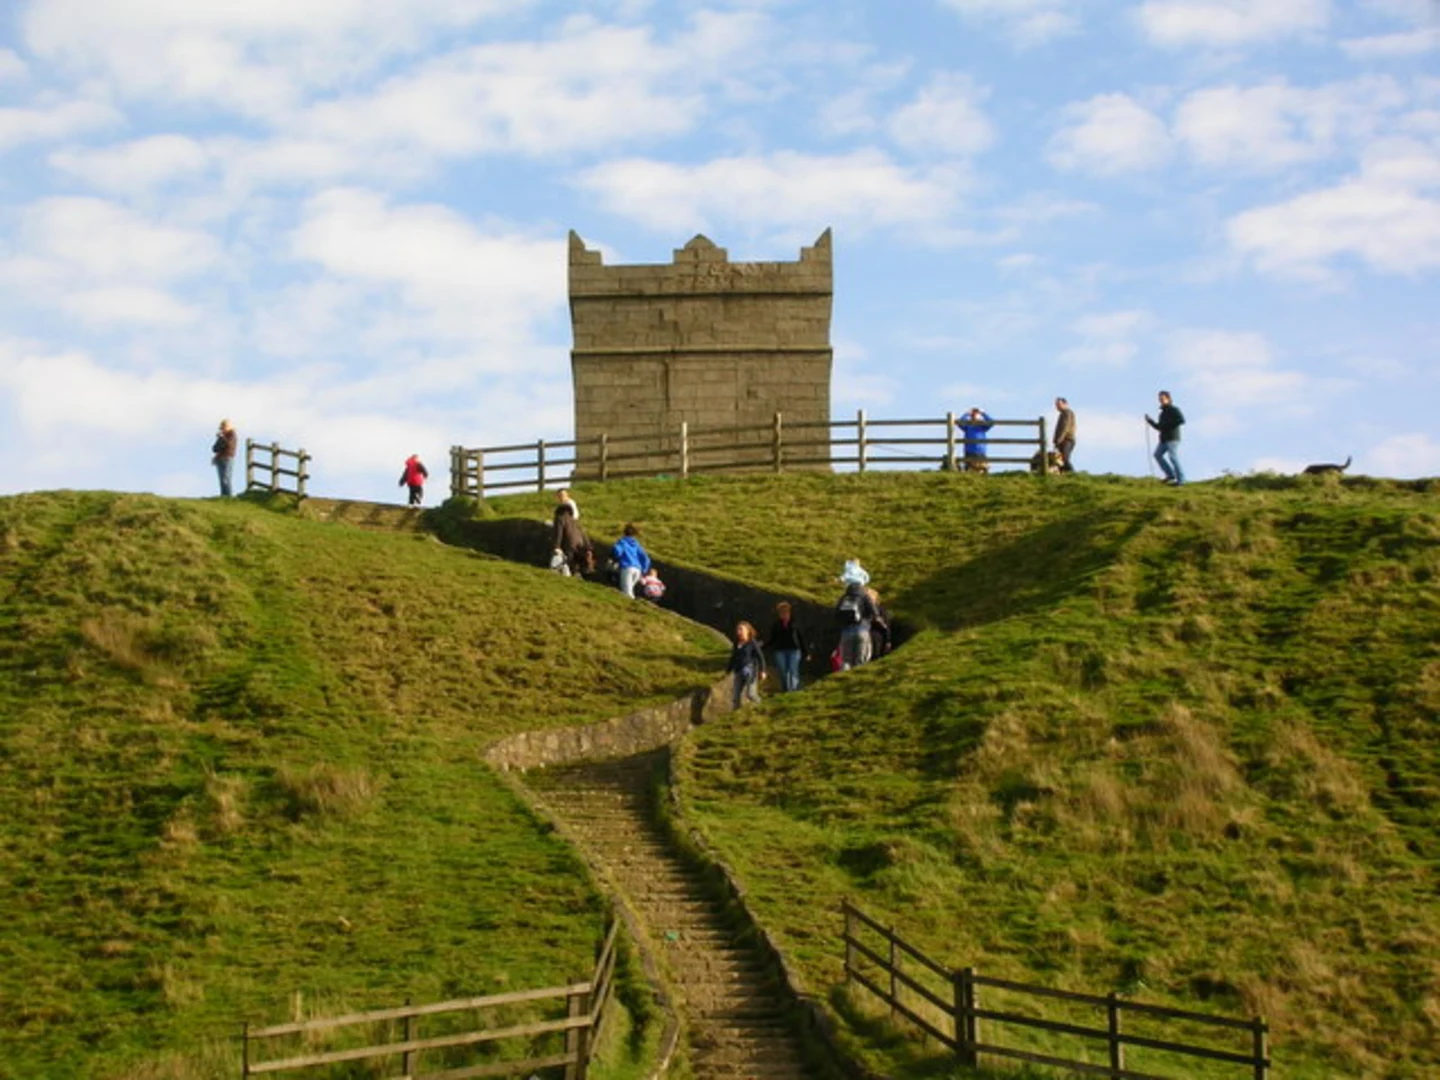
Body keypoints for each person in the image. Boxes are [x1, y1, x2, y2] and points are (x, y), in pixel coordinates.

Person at [835, 579, 878, 671]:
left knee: (846, 660)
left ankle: (843, 680)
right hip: (862, 630)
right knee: (861, 660)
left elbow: (836, 614)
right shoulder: (864, 596)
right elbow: (875, 612)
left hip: (846, 631)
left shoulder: (844, 597)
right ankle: (858, 680)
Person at [1146, 391, 1186, 486]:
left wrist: (1167, 426)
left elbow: (1181, 420)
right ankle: (1170, 475)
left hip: (1172, 438)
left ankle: (1181, 480)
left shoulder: (1173, 409)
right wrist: (1150, 421)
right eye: (1160, 399)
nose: (1161, 401)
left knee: (1173, 457)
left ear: (1168, 399)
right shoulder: (1162, 414)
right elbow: (1159, 427)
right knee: (1157, 455)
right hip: (1164, 439)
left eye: (1163, 399)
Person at [767, 601, 809, 693]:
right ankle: (785, 690)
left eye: (785, 612)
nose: (783, 614)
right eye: (781, 613)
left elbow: (801, 638)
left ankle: (793, 691)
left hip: (794, 650)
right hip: (780, 651)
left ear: (789, 612)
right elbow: (772, 639)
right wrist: (762, 646)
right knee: (783, 672)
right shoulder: (776, 625)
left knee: (792, 670)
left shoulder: (795, 623)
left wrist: (806, 652)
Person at [550, 489, 592, 576]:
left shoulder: (560, 518)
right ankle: (577, 576)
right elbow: (582, 532)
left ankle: (571, 577)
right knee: (576, 565)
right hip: (579, 544)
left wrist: (556, 546)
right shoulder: (573, 519)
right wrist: (588, 547)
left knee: (569, 564)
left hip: (569, 543)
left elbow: (558, 532)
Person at [727, 621, 766, 709]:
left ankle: (761, 706)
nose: (738, 632)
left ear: (748, 631)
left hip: (750, 671)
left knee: (750, 694)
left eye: (741, 629)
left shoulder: (752, 643)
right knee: (735, 697)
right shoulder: (736, 643)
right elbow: (733, 657)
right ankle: (735, 716)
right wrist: (728, 670)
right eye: (737, 629)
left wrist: (762, 671)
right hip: (738, 671)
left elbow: (760, 657)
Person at [611, 523, 651, 598]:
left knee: (627, 593)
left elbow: (617, 551)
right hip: (638, 570)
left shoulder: (622, 542)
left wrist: (615, 553)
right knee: (630, 590)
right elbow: (646, 559)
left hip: (627, 568)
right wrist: (644, 570)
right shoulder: (636, 544)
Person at [960, 407, 993, 473]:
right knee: (969, 469)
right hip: (969, 451)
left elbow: (991, 422)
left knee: (982, 469)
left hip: (980, 451)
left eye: (975, 414)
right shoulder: (968, 425)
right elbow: (960, 423)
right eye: (973, 414)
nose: (974, 416)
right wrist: (967, 414)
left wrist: (983, 413)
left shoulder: (982, 425)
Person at [211, 419, 238, 497]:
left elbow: (229, 445)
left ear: (228, 427)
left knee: (226, 478)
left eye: (223, 428)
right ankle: (223, 496)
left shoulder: (232, 434)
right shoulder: (223, 436)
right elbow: (214, 449)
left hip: (227, 458)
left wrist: (221, 438)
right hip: (220, 459)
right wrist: (220, 438)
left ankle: (229, 496)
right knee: (222, 479)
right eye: (221, 428)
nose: (222, 430)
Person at [865, 587, 891, 660]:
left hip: (875, 636)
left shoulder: (879, 610)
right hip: (872, 636)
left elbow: (886, 626)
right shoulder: (879, 609)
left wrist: (887, 641)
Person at [1053, 398, 1076, 473]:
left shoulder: (1067, 413)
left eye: (1059, 404)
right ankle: (1064, 476)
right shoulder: (1062, 414)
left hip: (1067, 439)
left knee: (1065, 459)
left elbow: (1064, 427)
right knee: (1061, 461)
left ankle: (1073, 474)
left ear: (1065, 404)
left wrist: (1059, 439)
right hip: (1064, 440)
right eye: (1056, 405)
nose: (1057, 407)